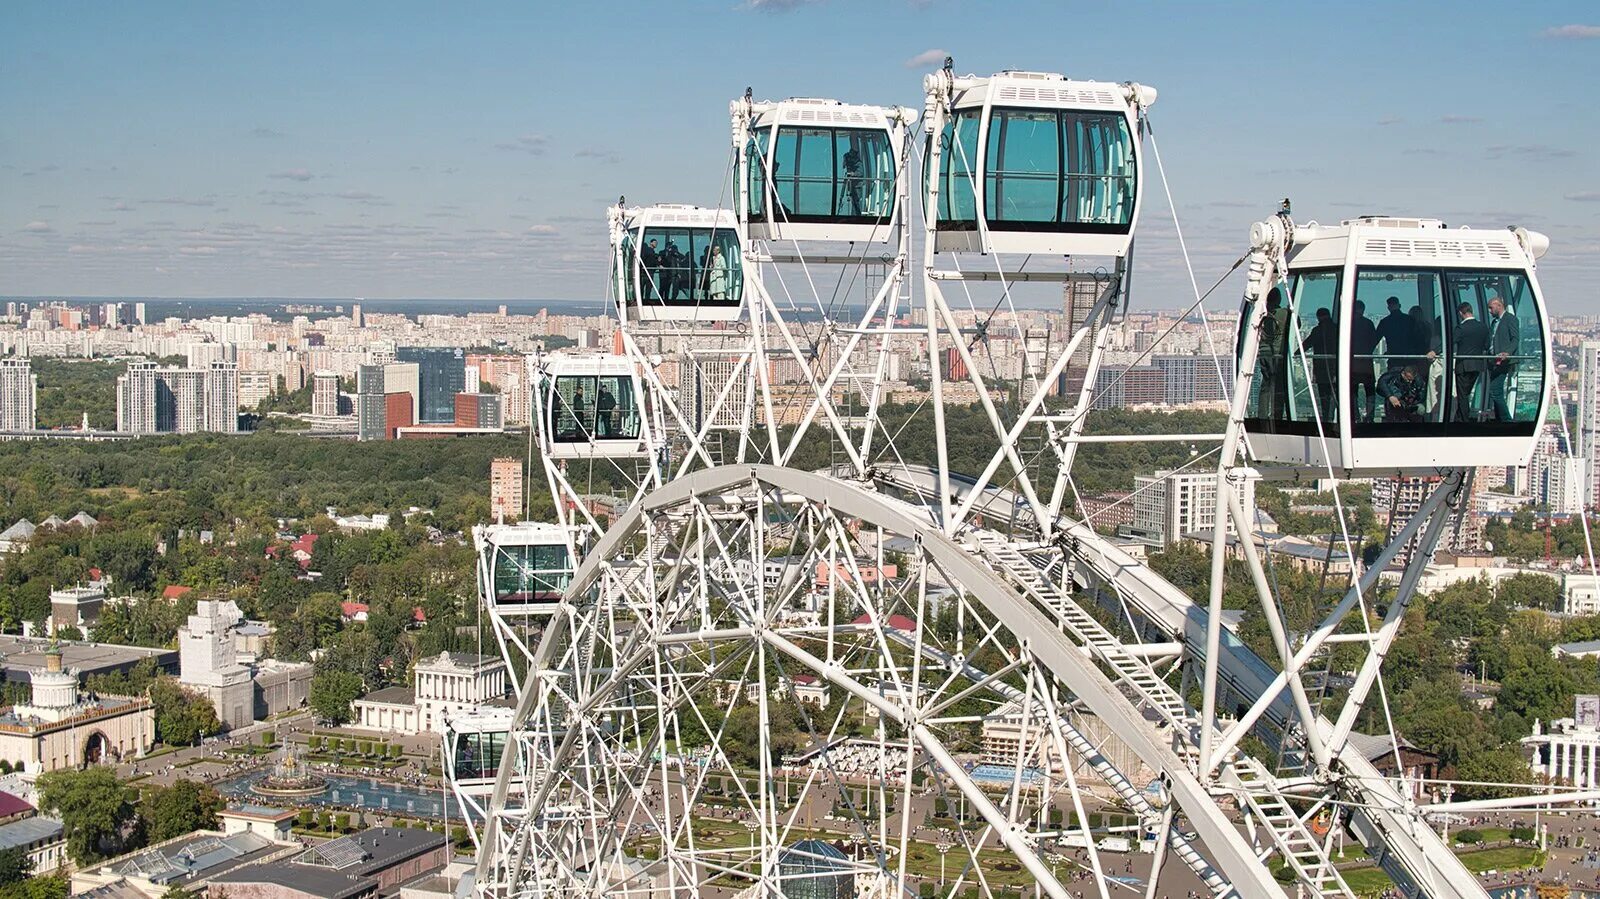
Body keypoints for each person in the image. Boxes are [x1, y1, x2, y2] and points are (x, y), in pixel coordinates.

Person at [1450, 301, 1490, 421]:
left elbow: (1449, 343)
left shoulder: (1461, 328)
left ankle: (1463, 420)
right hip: (1477, 365)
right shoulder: (1483, 327)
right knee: (1465, 394)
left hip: (1463, 366)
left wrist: (1434, 352)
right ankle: (1458, 419)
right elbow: (1487, 345)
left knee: (1462, 395)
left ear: (1461, 313)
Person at [1486, 294, 1520, 421]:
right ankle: (1500, 418)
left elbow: (1515, 339)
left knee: (1495, 390)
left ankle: (1506, 420)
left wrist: (1507, 353)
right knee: (1495, 391)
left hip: (1503, 361)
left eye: (1491, 308)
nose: (1489, 311)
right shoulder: (1495, 322)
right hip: (1494, 360)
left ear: (1499, 305)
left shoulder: (1510, 319)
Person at [1257, 287, 1290, 419]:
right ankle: (1277, 415)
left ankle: (1262, 415)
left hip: (1263, 353)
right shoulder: (1283, 313)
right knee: (1278, 386)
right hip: (1277, 354)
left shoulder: (1262, 314)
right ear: (1278, 299)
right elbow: (1296, 324)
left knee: (1266, 384)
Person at [1306, 306, 1340, 421]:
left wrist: (1295, 353)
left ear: (1318, 318)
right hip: (1336, 368)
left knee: (1324, 396)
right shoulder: (1337, 329)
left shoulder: (1317, 331)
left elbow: (1307, 344)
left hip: (1321, 369)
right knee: (1334, 395)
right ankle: (1332, 417)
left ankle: (1327, 418)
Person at [1349, 300, 1379, 422]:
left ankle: (1355, 416)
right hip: (1366, 363)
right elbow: (1374, 340)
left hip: (1352, 363)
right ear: (1362, 310)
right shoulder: (1368, 323)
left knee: (1352, 391)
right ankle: (1370, 417)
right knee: (1370, 390)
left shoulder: (1348, 323)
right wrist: (1368, 351)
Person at [1376, 296, 1414, 369]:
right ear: (1399, 306)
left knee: (1393, 378)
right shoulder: (1410, 320)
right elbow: (1417, 337)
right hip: (1409, 357)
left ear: (1388, 308)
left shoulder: (1385, 322)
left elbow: (1375, 339)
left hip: (1393, 357)